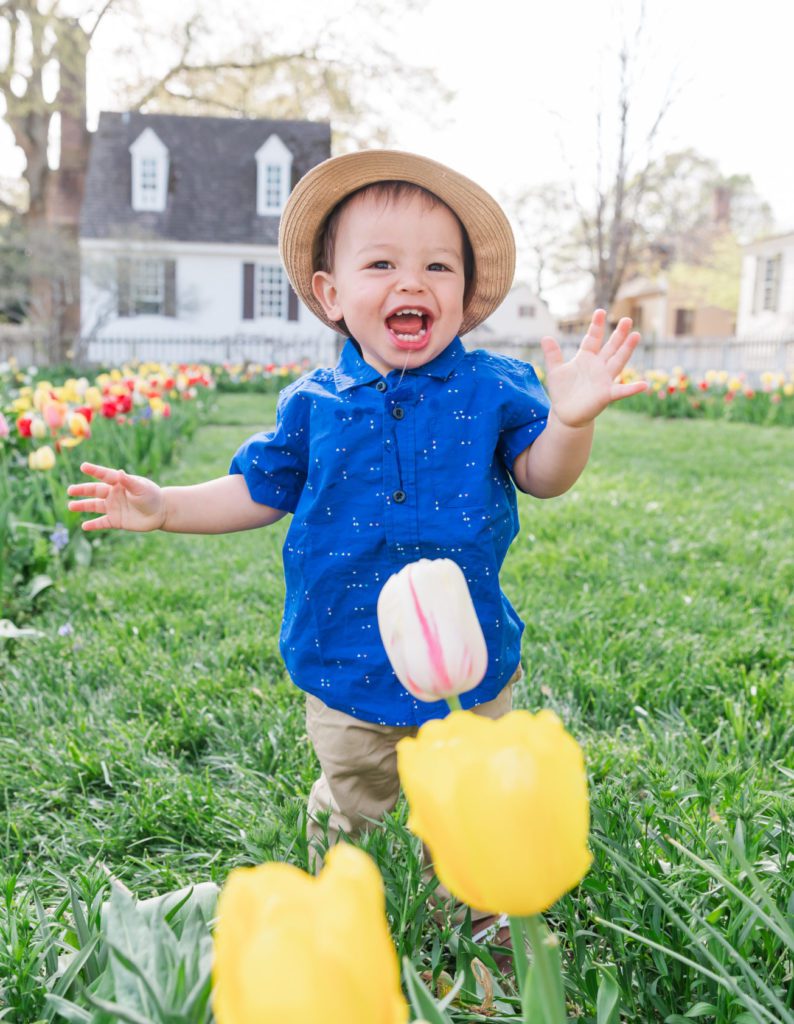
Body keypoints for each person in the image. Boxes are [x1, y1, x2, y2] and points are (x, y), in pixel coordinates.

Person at [67, 150, 647, 907]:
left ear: (466, 295)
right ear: (331, 293)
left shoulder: (493, 388)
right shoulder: (315, 404)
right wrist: (167, 505)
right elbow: (259, 488)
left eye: (438, 267)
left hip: (470, 659)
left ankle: (474, 908)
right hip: (344, 659)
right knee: (356, 796)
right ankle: (343, 898)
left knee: (471, 807)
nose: (412, 282)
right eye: (381, 264)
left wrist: (570, 422)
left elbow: (545, 475)